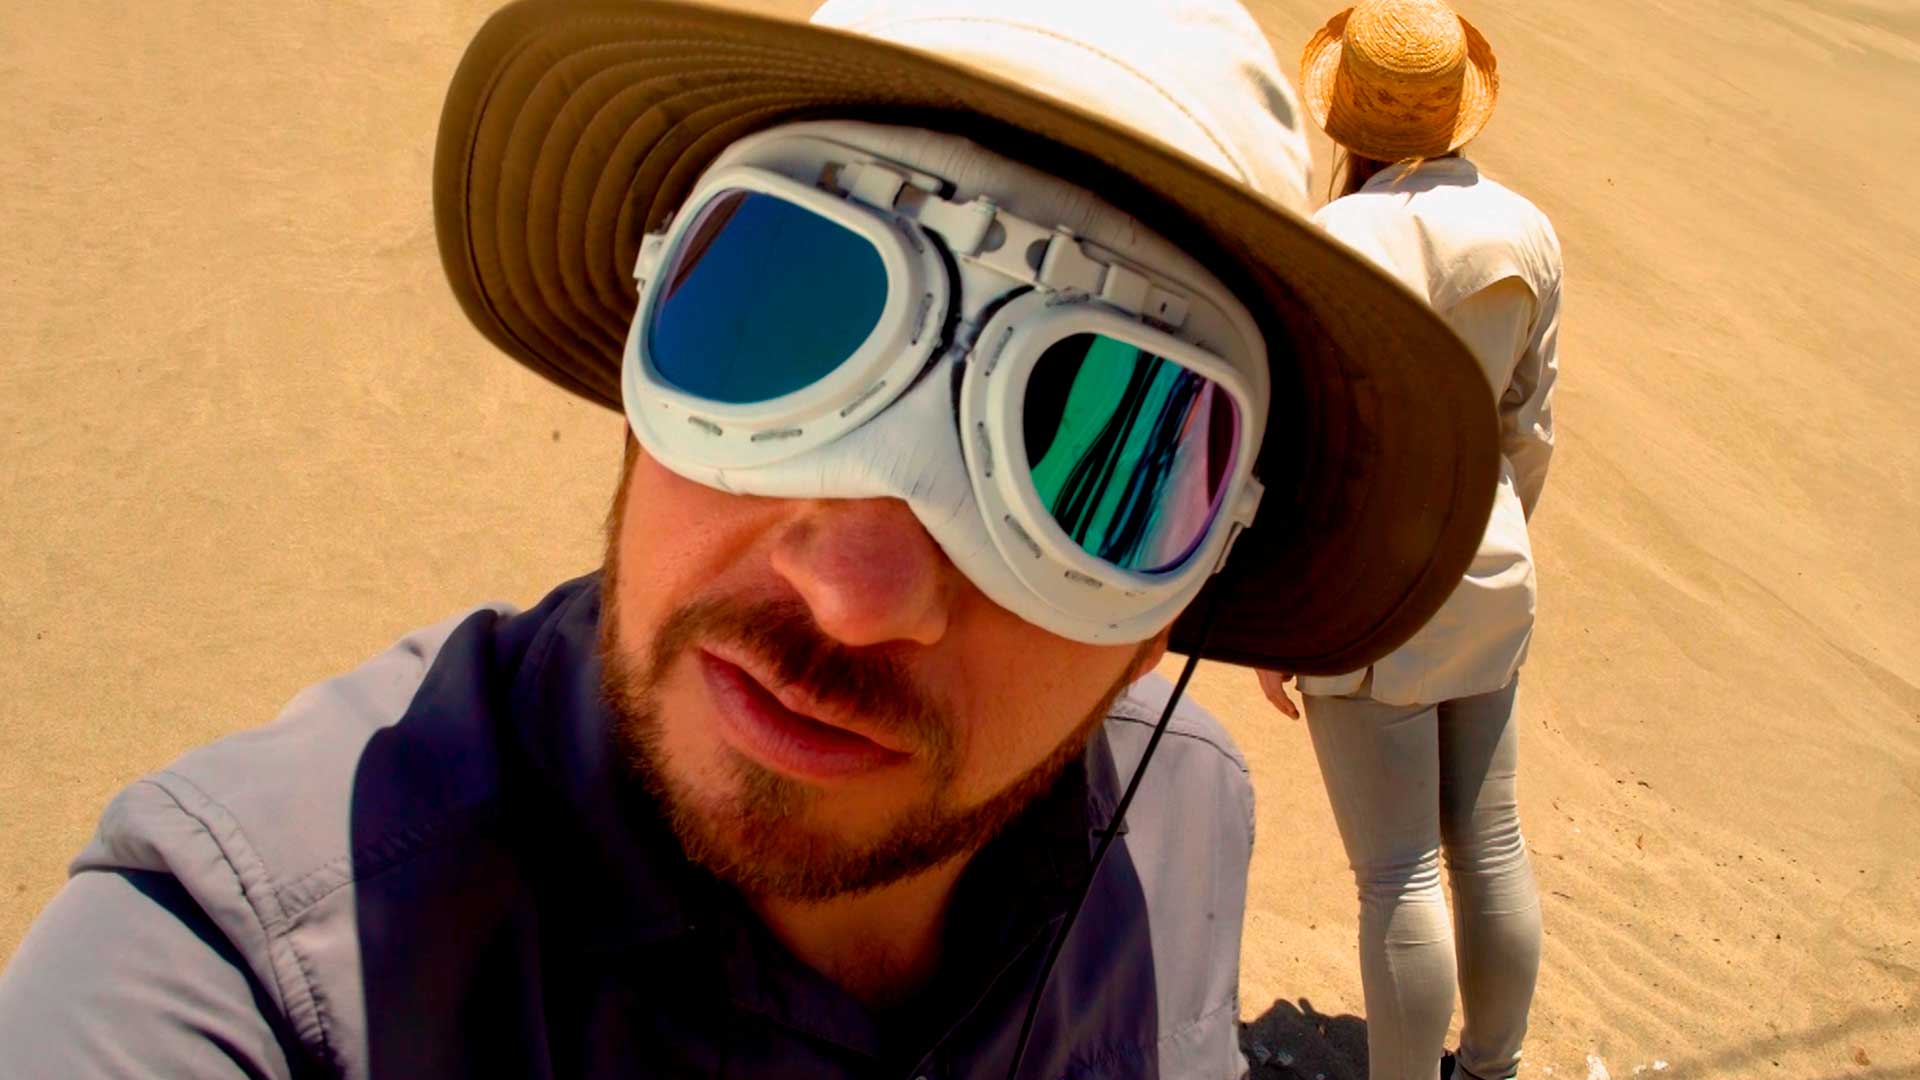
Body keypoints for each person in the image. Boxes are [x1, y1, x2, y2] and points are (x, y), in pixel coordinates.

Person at [0, 0, 1503, 1076]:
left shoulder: (1180, 831)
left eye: (1095, 472)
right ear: (649, 350)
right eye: (783, 323)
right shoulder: (253, 980)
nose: (853, 596)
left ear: (1188, 595)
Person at [1258, 3, 1562, 1079]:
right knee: (1491, 843)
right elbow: (1528, 427)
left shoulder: (1335, 239)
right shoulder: (1525, 228)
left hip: (1371, 573)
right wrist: (1500, 531)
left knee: (1397, 874)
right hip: (1488, 551)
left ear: (1348, 113)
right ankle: (1493, 1065)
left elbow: (1302, 444)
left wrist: (1287, 603)